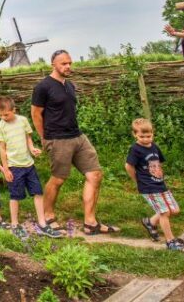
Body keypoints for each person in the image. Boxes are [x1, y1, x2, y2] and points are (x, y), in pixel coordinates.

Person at [31, 50, 119, 236]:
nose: (68, 66)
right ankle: (47, 216)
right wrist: (44, 137)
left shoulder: (69, 85)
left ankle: (90, 222)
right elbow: (36, 114)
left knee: (95, 175)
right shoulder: (43, 87)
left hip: (77, 136)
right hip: (57, 138)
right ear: (53, 64)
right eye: (63, 63)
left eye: (69, 63)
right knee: (58, 178)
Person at [0, 96, 62, 239]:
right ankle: (15, 225)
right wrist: (5, 169)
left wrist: (32, 149)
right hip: (14, 167)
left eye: (6, 114)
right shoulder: (0, 127)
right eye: (0, 115)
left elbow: (28, 138)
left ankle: (42, 224)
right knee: (15, 196)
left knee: (38, 192)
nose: (3, 117)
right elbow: (2, 149)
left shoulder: (23, 120)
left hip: (29, 165)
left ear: (14, 110)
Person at [125, 118, 184, 251]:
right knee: (164, 213)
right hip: (148, 186)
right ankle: (170, 241)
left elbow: (159, 162)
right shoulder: (135, 149)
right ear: (135, 134)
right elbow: (128, 166)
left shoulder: (154, 146)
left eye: (149, 136)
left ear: (153, 133)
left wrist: (159, 176)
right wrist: (137, 180)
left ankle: (150, 222)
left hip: (159, 183)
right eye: (142, 136)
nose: (146, 139)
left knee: (174, 210)